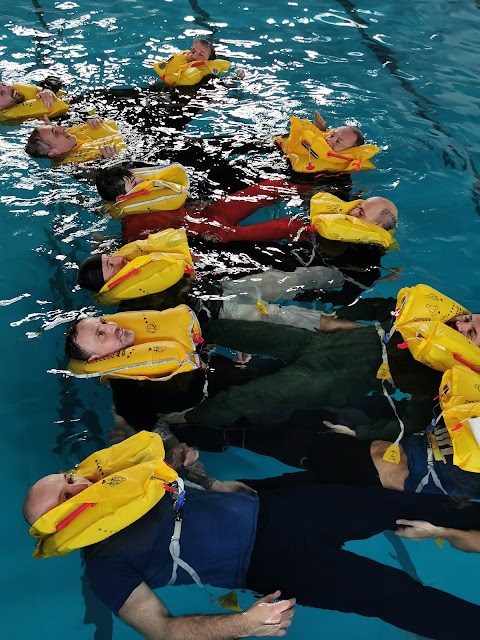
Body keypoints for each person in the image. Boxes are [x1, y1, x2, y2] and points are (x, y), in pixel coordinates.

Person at [23, 455, 480, 640]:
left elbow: (189, 498)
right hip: (273, 562)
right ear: (57, 525)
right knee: (398, 596)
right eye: (66, 496)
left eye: (68, 478)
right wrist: (243, 623)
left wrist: (203, 477)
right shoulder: (106, 563)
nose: (80, 484)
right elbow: (161, 629)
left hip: (286, 506)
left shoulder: (121, 484)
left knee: (421, 506)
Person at [63, 295, 479, 435]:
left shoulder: (452, 371)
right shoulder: (432, 324)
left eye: (472, 330)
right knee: (249, 334)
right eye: (470, 317)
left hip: (336, 377)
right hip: (336, 344)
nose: (463, 322)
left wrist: (361, 431)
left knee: (260, 394)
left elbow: (419, 415)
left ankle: (189, 422)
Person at [76, 227, 344, 331]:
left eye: (110, 257)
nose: (118, 260)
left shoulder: (143, 264)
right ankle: (363, 332)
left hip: (223, 287)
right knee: (286, 317)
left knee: (291, 279)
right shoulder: (133, 308)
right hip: (224, 313)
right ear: (108, 285)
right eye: (110, 266)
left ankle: (345, 277)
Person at [96, 167, 315, 244]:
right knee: (287, 227)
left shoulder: (153, 197)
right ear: (122, 199)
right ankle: (319, 231)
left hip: (209, 213)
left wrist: (194, 205)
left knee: (271, 187)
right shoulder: (134, 225)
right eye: (135, 184)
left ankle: (319, 191)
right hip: (213, 232)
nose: (143, 181)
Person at [24, 115, 122, 163]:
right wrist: (112, 161)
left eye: (55, 127)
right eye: (55, 133)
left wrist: (95, 120)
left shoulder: (74, 136)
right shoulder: (78, 167)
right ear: (53, 152)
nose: (62, 128)